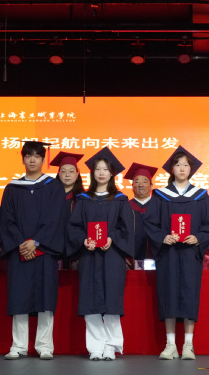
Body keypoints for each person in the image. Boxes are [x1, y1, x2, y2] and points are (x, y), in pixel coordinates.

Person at [143, 146, 209, 360]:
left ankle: (188, 344)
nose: (182, 168)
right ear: (172, 169)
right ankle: (170, 345)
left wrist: (198, 238)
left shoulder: (200, 196)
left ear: (191, 169)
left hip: (190, 254)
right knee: (168, 295)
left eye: (185, 165)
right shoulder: (160, 196)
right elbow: (150, 223)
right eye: (178, 164)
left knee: (189, 296)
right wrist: (162, 237)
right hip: (168, 254)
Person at [0, 141, 66, 360]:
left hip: (44, 251)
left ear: (43, 160)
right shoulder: (12, 188)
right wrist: (21, 243)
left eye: (37, 156)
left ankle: (44, 346)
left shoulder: (53, 187)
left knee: (46, 299)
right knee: (19, 298)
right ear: (23, 159)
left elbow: (56, 218)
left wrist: (36, 241)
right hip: (20, 251)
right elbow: (6, 219)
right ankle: (18, 346)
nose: (32, 160)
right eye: (28, 156)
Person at [67, 147, 135, 361]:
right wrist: (83, 240)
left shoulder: (120, 200)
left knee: (112, 302)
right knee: (90, 302)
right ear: (93, 172)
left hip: (112, 256)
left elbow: (127, 229)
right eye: (98, 169)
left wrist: (112, 238)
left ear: (112, 173)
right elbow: (74, 227)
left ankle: (111, 346)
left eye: (106, 169)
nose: (101, 173)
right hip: (89, 256)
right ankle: (95, 347)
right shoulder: (83, 199)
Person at [49, 151, 85, 270]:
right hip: (54, 248)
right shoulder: (50, 197)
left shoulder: (84, 198)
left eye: (71, 171)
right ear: (58, 174)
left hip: (77, 249)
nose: (67, 175)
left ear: (77, 174)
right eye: (63, 171)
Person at [124, 162, 158, 262]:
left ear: (151, 186)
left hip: (157, 259)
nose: (141, 185)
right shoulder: (125, 207)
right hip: (130, 259)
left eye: (144, 181)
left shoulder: (159, 206)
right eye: (137, 181)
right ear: (132, 186)